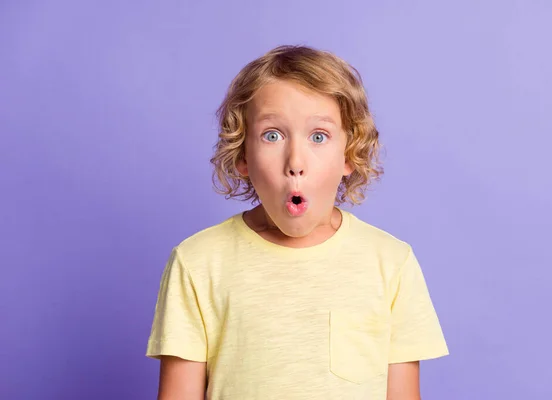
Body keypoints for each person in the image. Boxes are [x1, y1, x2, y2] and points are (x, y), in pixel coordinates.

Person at [146, 44, 449, 400]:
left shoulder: (392, 263)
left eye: (318, 137)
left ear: (348, 155)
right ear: (243, 155)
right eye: (272, 135)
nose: (295, 161)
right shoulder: (197, 263)